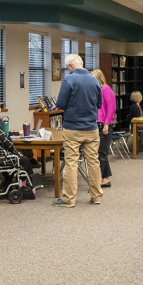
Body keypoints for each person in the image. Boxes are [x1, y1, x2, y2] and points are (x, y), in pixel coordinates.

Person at [51, 54, 102, 207]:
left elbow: (60, 104)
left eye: (68, 68)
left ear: (71, 66)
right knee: (93, 162)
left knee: (71, 163)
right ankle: (96, 196)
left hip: (72, 128)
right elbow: (99, 104)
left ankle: (69, 199)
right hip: (92, 128)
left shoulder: (69, 80)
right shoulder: (94, 80)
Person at [90, 69, 115, 187]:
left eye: (95, 77)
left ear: (100, 77)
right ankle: (105, 179)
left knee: (101, 153)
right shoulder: (97, 90)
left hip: (104, 125)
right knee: (101, 153)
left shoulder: (106, 89)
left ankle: (99, 180)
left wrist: (106, 124)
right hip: (97, 124)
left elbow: (111, 108)